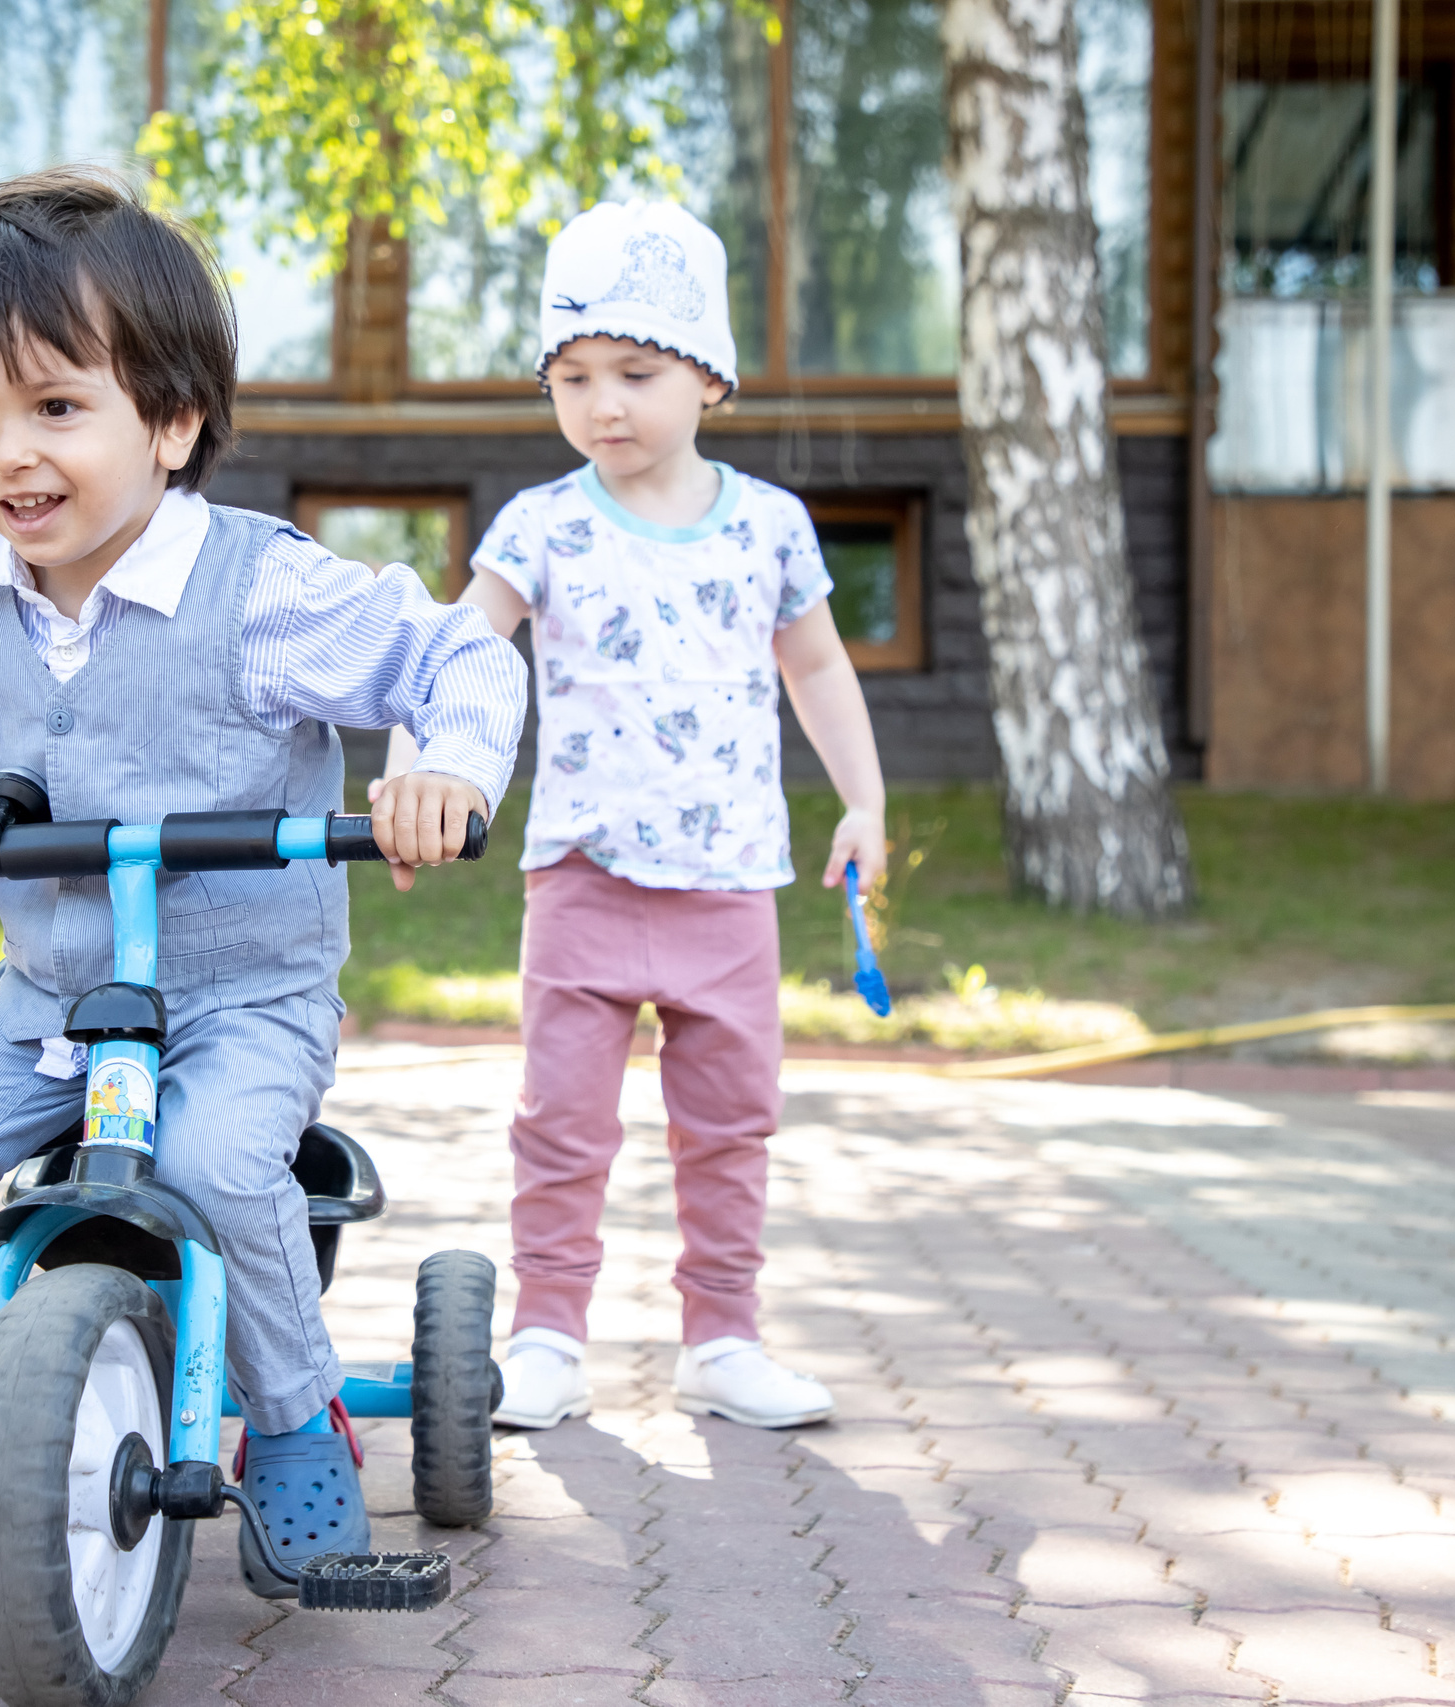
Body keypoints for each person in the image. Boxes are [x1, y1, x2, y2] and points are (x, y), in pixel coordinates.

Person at [0, 168, 525, 1595]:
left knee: (211, 1165)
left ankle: (298, 1420)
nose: (7, 453)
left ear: (174, 422)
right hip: (49, 994)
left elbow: (461, 654)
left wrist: (442, 768)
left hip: (241, 993)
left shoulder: (263, 590)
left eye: (55, 407)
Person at [380, 200, 888, 1431]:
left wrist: (863, 798)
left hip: (729, 888)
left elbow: (815, 670)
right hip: (582, 880)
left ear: (707, 376)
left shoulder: (770, 526)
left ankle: (722, 1339)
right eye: (573, 377)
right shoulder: (541, 524)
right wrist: (409, 771)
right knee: (561, 1124)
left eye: (635, 373)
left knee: (730, 1128)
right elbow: (457, 650)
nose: (602, 404)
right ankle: (548, 1335)